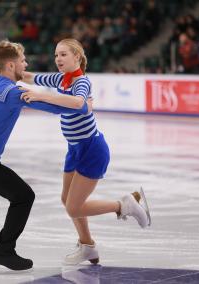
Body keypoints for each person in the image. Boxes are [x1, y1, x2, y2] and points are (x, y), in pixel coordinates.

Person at [0, 40, 90, 271]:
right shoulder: (14, 93)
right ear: (12, 66)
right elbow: (53, 108)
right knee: (24, 197)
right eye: (23, 61)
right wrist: (83, 107)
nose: (26, 64)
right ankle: (3, 251)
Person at [20, 38, 151, 266]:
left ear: (77, 57)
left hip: (92, 149)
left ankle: (124, 205)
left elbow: (77, 102)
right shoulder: (59, 79)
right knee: (66, 199)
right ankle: (87, 246)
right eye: (56, 55)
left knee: (74, 206)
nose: (58, 59)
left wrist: (41, 95)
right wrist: (1, 68)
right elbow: (30, 77)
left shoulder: (81, 81)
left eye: (63, 55)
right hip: (74, 149)